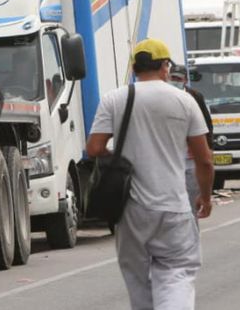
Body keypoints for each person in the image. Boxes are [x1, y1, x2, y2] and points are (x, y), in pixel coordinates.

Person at [86, 38, 215, 310]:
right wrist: (205, 197)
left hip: (131, 209)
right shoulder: (185, 101)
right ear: (165, 67)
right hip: (173, 205)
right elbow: (204, 160)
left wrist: (122, 157)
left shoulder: (115, 99)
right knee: (177, 274)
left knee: (138, 280)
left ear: (134, 67)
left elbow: (95, 148)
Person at [170, 64, 214, 210]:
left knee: (190, 203)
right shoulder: (165, 96)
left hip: (190, 157)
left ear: (185, 80)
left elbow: (207, 125)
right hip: (171, 158)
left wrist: (209, 148)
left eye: (178, 78)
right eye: (172, 77)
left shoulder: (195, 97)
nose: (175, 81)